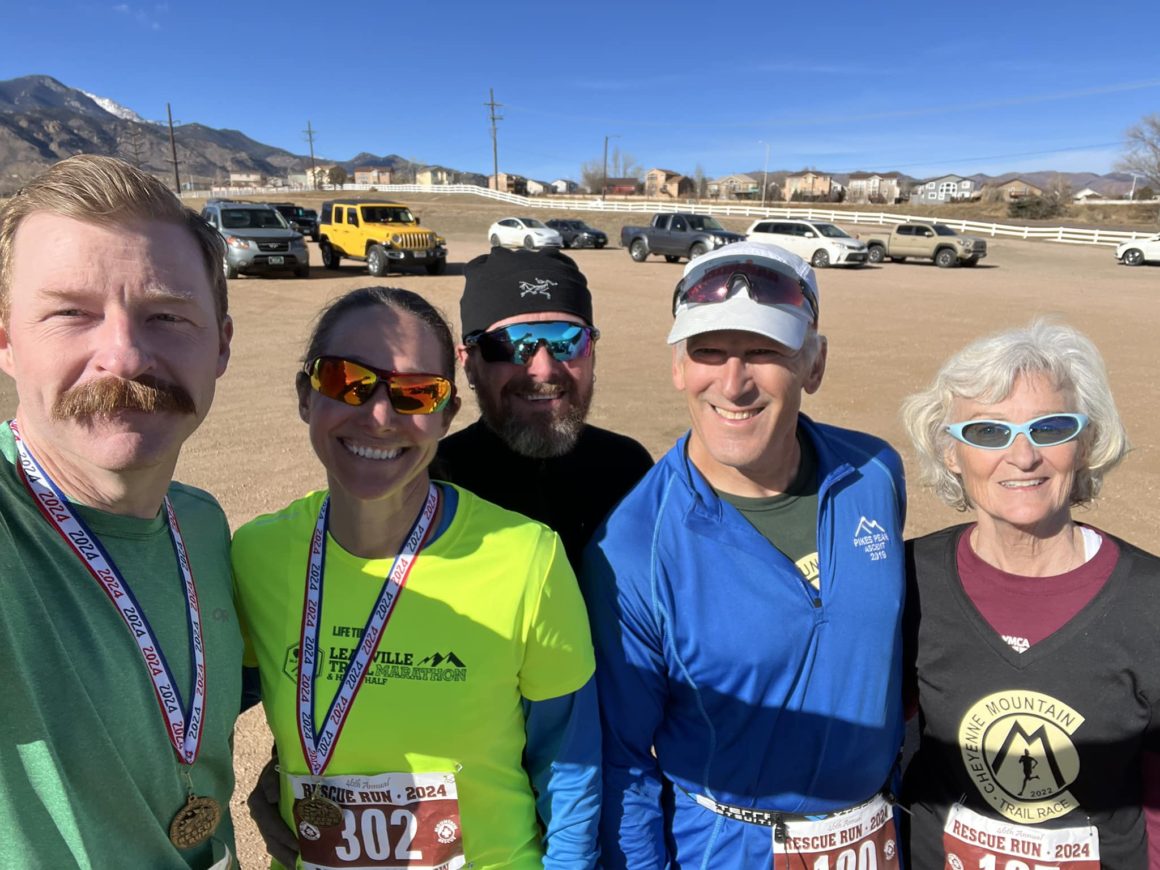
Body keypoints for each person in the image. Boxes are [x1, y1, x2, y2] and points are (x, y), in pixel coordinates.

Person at [232, 287, 600, 870]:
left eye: (415, 393)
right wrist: (273, 777)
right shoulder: (257, 554)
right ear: (306, 395)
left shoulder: (529, 558)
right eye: (345, 380)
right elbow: (194, 714)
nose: (379, 415)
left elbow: (571, 767)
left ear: (448, 413)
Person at [581, 242, 908, 868]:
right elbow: (621, 760)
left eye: (764, 351)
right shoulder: (629, 549)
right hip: (726, 846)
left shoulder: (874, 473)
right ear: (679, 366)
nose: (734, 384)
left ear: (814, 362)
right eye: (708, 352)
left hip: (873, 835)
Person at [0, 155, 239, 868]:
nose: (124, 355)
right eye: (70, 313)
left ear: (221, 344)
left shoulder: (201, 524)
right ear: (6, 339)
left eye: (166, 316)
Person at [899, 319, 1160, 869]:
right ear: (952, 453)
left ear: (1086, 443)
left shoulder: (1150, 602)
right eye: (989, 432)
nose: (1023, 457)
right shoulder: (907, 581)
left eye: (1051, 428)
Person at [435, 246, 653, 568]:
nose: (544, 369)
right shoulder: (436, 483)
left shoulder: (628, 470)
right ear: (468, 362)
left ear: (591, 351)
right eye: (513, 344)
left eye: (568, 340)